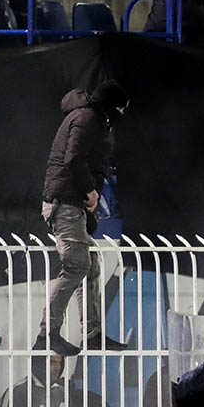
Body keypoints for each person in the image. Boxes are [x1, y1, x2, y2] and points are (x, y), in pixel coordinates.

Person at [36, 80, 131, 357]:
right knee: (77, 266)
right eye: (121, 109)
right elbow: (74, 158)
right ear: (112, 105)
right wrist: (90, 191)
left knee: (90, 264)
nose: (121, 115)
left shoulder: (89, 117)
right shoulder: (88, 117)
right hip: (65, 202)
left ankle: (92, 333)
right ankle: (47, 334)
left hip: (71, 202)